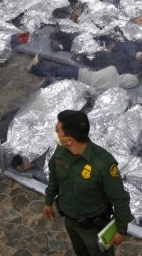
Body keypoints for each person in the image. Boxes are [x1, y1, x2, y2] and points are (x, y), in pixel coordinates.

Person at [43, 110, 133, 256]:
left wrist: (122, 230)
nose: (55, 133)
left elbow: (120, 199)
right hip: (70, 221)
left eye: (57, 130)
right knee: (80, 252)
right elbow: (54, 177)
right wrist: (48, 200)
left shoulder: (103, 164)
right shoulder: (61, 150)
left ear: (70, 139)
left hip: (95, 228)